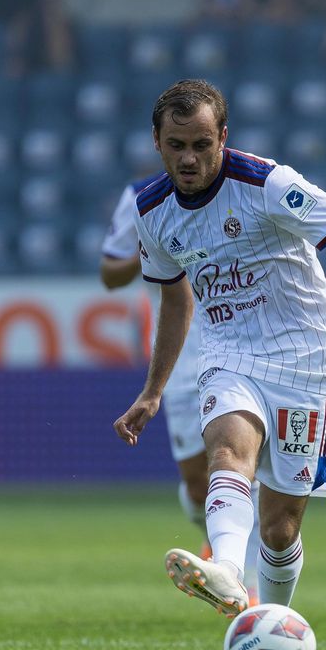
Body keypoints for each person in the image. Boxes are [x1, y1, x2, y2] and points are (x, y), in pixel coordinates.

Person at [112, 79, 326, 650]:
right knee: (227, 451)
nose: (189, 158)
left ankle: (257, 644)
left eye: (201, 144)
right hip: (228, 354)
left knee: (281, 528)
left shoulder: (267, 183)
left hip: (307, 362)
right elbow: (174, 301)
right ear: (157, 143)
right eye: (176, 145)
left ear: (223, 138)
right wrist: (154, 390)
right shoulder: (151, 211)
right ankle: (225, 570)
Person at [100, 171, 261, 605]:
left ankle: (244, 582)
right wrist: (154, 247)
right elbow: (110, 273)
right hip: (183, 357)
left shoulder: (242, 188)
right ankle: (217, 542)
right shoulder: (142, 199)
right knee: (197, 486)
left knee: (241, 464)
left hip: (241, 345)